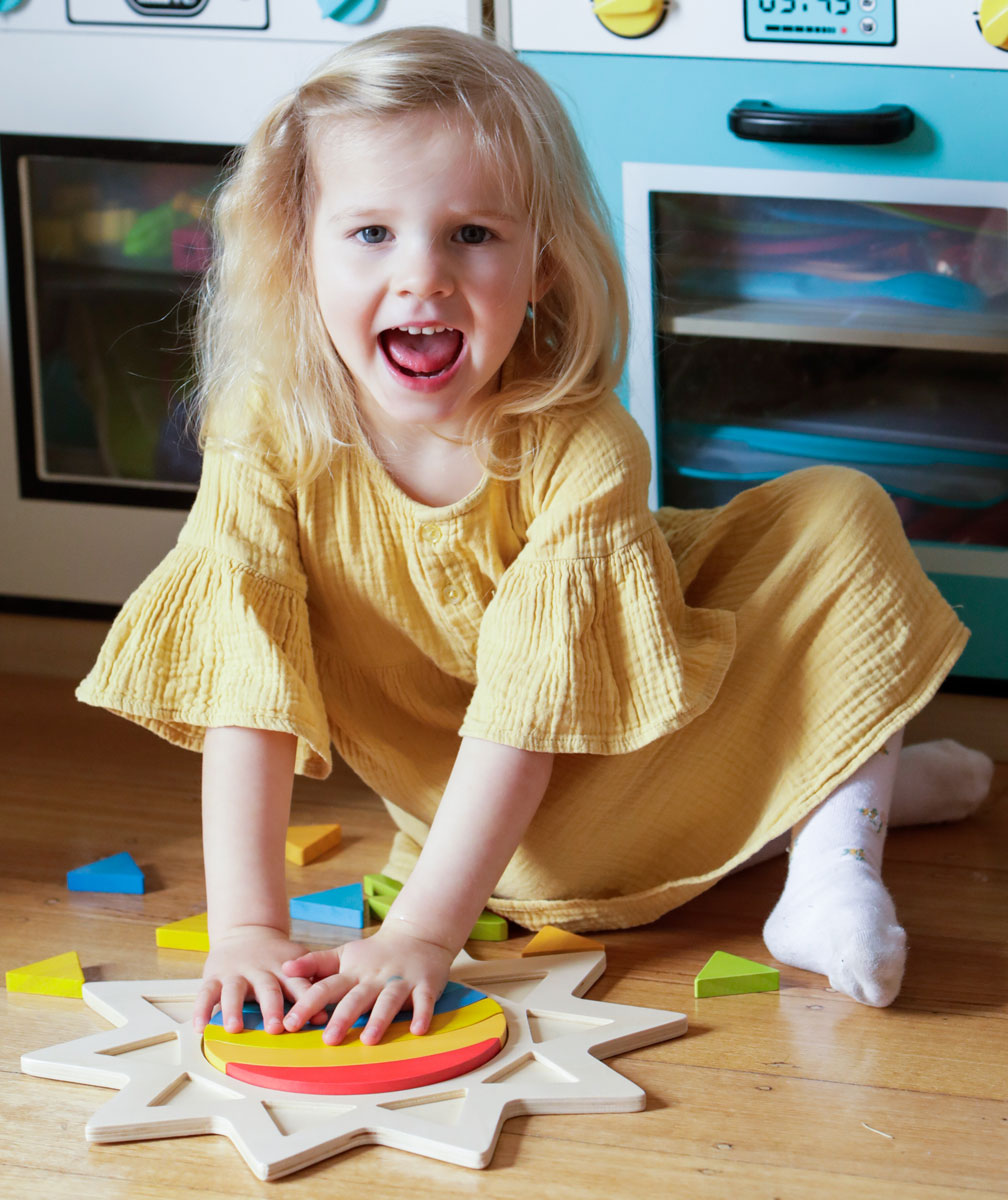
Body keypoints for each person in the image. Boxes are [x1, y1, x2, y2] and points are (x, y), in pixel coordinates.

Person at [76, 27, 994, 1046]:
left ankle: (828, 857)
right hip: (497, 854)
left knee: (837, 507)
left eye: (472, 234)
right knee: (822, 537)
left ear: (545, 262)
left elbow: (547, 691)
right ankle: (824, 812)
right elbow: (243, 685)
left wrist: (421, 933)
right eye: (371, 233)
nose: (422, 275)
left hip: (540, 801)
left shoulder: (586, 444)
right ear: (299, 252)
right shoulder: (268, 431)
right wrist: (254, 927)